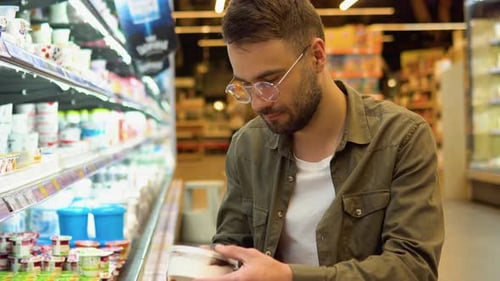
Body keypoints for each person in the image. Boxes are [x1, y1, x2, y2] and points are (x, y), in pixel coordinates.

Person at [195, 0, 444, 280]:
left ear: (317, 56)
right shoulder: (247, 147)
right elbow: (232, 245)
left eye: (270, 82)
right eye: (245, 86)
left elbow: (413, 268)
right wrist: (212, 265)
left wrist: (290, 276)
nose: (258, 103)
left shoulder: (402, 138)